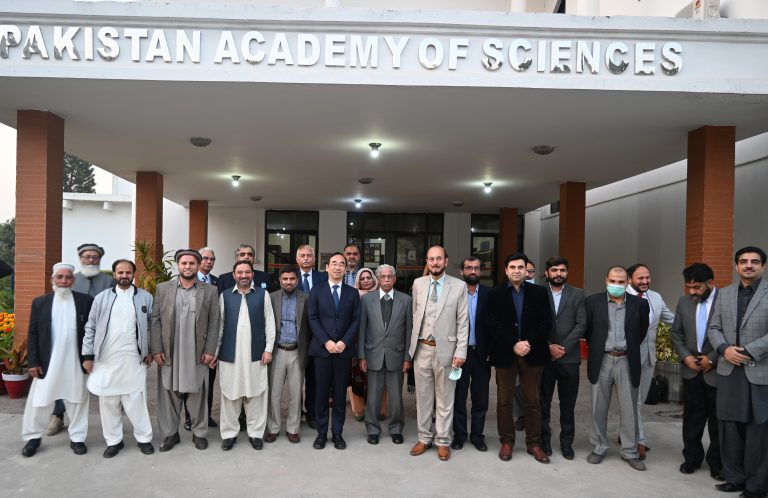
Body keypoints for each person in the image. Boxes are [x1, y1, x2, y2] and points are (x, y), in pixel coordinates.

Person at [708, 246, 768, 497]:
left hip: (759, 369)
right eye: (743, 261)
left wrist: (747, 351)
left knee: (758, 430)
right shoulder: (725, 294)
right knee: (729, 426)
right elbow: (713, 327)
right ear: (736, 266)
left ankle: (757, 486)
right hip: (729, 368)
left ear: (763, 266)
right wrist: (724, 349)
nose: (748, 265)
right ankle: (734, 478)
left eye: (755, 262)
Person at [82, 259, 155, 457]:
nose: (124, 276)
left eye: (128, 272)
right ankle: (114, 441)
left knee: (135, 399)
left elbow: (152, 327)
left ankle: (144, 438)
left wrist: (150, 351)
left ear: (133, 274)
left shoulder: (145, 298)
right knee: (108, 401)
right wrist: (88, 355)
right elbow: (91, 327)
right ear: (114, 274)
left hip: (134, 357)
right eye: (120, 272)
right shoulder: (101, 298)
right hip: (106, 358)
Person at [150, 249, 220, 452]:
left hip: (197, 353)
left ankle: (199, 433)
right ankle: (171, 434)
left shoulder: (210, 291)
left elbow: (215, 322)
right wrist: (156, 349)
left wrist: (210, 350)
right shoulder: (163, 289)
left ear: (198, 266)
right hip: (170, 352)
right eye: (184, 263)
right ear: (178, 265)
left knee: (198, 394)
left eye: (192, 263)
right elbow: (155, 320)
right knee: (169, 394)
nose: (188, 266)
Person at [487, 253, 553, 464]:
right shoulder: (495, 294)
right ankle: (507, 441)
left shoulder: (540, 293)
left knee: (533, 401)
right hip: (505, 354)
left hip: (532, 354)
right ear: (506, 270)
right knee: (504, 401)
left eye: (521, 267)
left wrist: (526, 343)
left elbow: (545, 322)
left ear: (527, 270)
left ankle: (534, 443)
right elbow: (492, 323)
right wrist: (513, 343)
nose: (516, 270)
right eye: (512, 267)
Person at [21, 263, 93, 457]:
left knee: (77, 400)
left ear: (73, 280)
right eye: (59, 277)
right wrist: (33, 361)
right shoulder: (40, 302)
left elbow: (92, 332)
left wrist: (89, 358)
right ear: (52, 279)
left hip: (76, 361)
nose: (63, 281)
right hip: (47, 362)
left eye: (67, 277)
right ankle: (33, 437)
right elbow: (33, 333)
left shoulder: (85, 301)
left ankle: (77, 438)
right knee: (40, 401)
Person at [584, 265, 649, 471]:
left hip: (627, 360)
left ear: (628, 282)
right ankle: (600, 446)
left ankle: (630, 450)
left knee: (629, 408)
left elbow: (641, 331)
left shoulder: (640, 305)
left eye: (621, 282)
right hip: (602, 360)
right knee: (598, 406)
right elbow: (589, 331)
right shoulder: (593, 302)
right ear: (606, 280)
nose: (617, 285)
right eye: (613, 281)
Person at [408, 246, 468, 462]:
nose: (435, 262)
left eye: (439, 259)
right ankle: (424, 438)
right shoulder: (418, 284)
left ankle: (443, 441)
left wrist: (460, 351)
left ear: (445, 260)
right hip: (422, 348)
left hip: (447, 350)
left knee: (445, 398)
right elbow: (416, 314)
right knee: (423, 398)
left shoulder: (458, 286)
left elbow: (463, 321)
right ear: (427, 261)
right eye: (431, 259)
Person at [48, 242, 114, 435]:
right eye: (87, 257)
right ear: (80, 259)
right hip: (73, 339)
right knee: (64, 377)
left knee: (105, 378)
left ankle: (112, 417)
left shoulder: (108, 281)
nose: (91, 260)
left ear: (100, 260)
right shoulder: (71, 279)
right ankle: (58, 416)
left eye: (95, 257)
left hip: (101, 337)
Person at [214, 259, 276, 451]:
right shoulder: (225, 295)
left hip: (256, 354)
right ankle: (229, 434)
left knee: (256, 395)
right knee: (230, 395)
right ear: (234, 276)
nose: (243, 276)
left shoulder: (263, 295)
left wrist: (268, 349)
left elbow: (270, 324)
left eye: (247, 272)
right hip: (230, 355)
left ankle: (255, 433)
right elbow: (220, 326)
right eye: (239, 272)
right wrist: (215, 353)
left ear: (252, 275)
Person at [669, 263, 723, 480]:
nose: (692, 292)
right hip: (691, 370)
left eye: (697, 287)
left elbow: (733, 335)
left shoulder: (725, 301)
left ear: (710, 283)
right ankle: (691, 458)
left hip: (717, 371)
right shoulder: (684, 302)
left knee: (718, 421)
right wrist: (686, 357)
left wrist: (712, 358)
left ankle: (716, 462)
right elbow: (676, 333)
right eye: (688, 287)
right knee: (692, 418)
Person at [308, 252, 361, 450]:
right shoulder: (317, 290)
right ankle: (321, 433)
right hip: (323, 351)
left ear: (346, 268)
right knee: (321, 394)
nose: (338, 267)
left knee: (340, 395)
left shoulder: (352, 292)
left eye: (342, 264)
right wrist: (327, 342)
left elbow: (356, 319)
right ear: (327, 267)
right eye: (334, 264)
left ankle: (337, 433)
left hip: (343, 352)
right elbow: (312, 318)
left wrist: (344, 342)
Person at [358, 264, 412, 445]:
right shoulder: (367, 300)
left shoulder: (406, 300)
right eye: (383, 277)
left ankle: (396, 428)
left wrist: (407, 358)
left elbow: (409, 331)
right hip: (373, 355)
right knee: (373, 396)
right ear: (378, 279)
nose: (387, 280)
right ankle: (373, 429)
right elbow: (362, 329)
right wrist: (361, 356)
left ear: (395, 279)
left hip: (396, 356)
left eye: (390, 277)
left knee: (396, 398)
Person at [626, 263, 675, 460]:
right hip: (624, 357)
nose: (645, 281)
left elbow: (672, 319)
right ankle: (639, 440)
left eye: (647, 277)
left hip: (647, 357)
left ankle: (629, 434)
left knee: (638, 400)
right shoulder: (620, 296)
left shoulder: (655, 297)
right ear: (630, 279)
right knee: (632, 399)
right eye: (640, 278)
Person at [540, 256, 586, 460]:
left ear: (567, 272)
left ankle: (566, 443)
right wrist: (549, 346)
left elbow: (581, 324)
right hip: (544, 357)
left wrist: (564, 348)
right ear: (547, 272)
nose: (559, 274)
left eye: (562, 270)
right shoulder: (538, 293)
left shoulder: (578, 294)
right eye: (554, 270)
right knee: (543, 403)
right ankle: (544, 441)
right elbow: (534, 322)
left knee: (568, 404)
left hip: (569, 358)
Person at [451, 256, 491, 452]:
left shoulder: (489, 295)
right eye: (468, 268)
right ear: (461, 271)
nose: (472, 271)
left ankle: (477, 436)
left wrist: (492, 351)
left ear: (481, 271)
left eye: (476, 268)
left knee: (480, 398)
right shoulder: (454, 294)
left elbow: (494, 326)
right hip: (459, 354)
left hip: (482, 355)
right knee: (458, 397)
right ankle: (459, 436)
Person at [266, 266, 310, 444]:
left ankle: (293, 428)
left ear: (297, 281)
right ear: (280, 280)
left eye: (292, 279)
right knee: (274, 393)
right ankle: (273, 427)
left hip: (296, 352)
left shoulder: (306, 298)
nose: (288, 282)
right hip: (276, 351)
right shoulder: (271, 298)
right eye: (285, 279)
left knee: (295, 394)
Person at [182, 246, 220, 432]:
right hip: (186, 343)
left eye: (212, 259)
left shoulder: (218, 283)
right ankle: (190, 417)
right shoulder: (184, 281)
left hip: (209, 344)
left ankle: (206, 415)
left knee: (208, 382)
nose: (209, 262)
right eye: (205, 258)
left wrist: (214, 348)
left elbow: (217, 317)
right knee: (189, 383)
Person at [294, 244, 327, 430]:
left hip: (317, 335)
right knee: (295, 378)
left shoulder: (322, 277)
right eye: (302, 256)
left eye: (309, 255)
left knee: (314, 378)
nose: (306, 258)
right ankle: (296, 413)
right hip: (296, 335)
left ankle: (312, 413)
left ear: (314, 259)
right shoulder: (290, 276)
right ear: (297, 259)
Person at [349, 267, 378, 421]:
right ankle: (359, 409)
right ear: (358, 281)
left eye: (369, 277)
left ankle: (377, 408)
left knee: (375, 374)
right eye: (362, 278)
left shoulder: (381, 295)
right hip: (357, 340)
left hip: (377, 342)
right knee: (357, 375)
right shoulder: (353, 295)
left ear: (374, 279)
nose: (366, 280)